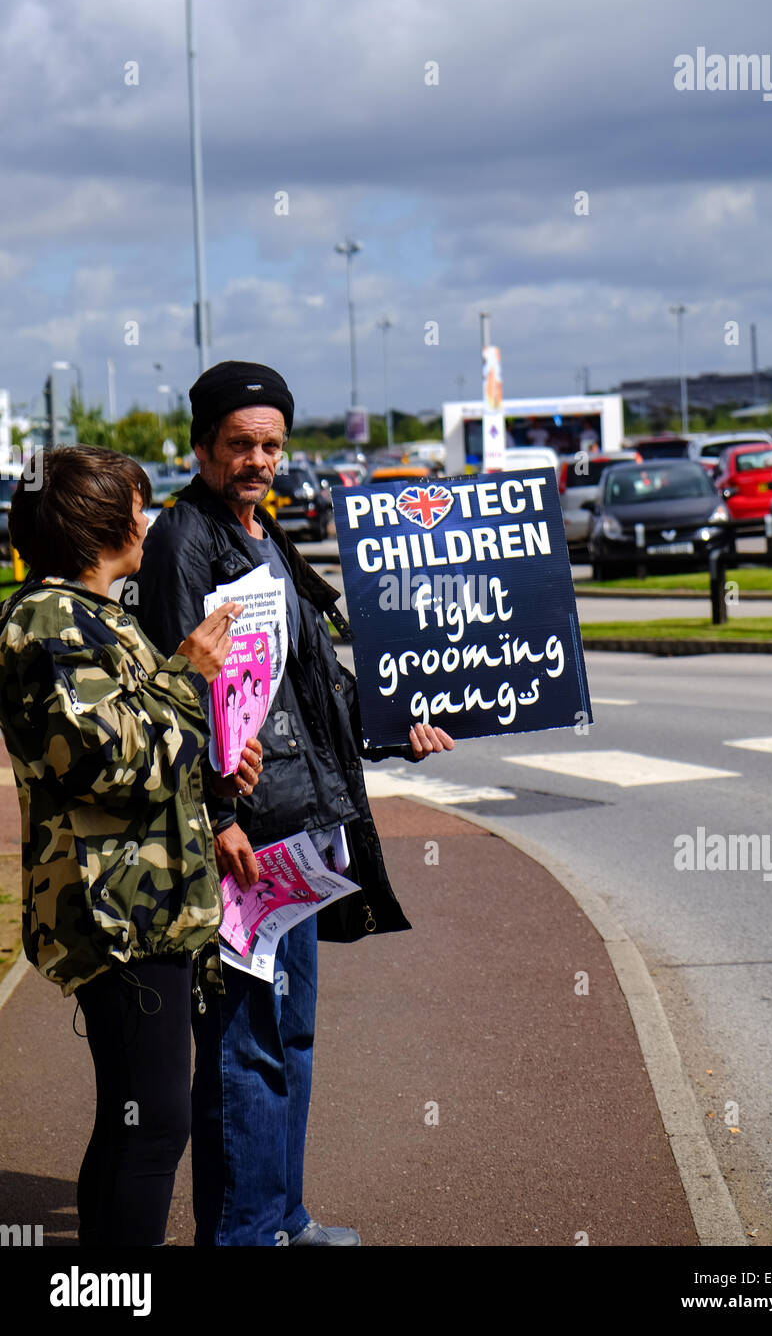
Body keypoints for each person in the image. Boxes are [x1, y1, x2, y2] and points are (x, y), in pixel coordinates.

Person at [131, 360, 455, 1247]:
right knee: (244, 1044)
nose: (261, 460)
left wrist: (397, 725)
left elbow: (315, 685)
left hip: (300, 835)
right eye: (242, 445)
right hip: (243, 840)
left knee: (291, 1035)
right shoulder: (182, 544)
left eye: (272, 445)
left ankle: (283, 1216)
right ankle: (241, 1234)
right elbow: (176, 693)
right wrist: (220, 816)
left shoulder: (263, 536)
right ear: (202, 447)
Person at [0, 444, 262, 1247]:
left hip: (137, 904)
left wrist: (217, 765)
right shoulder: (49, 620)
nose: (147, 520)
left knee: (131, 1119)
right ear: (98, 522)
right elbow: (104, 762)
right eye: (136, 507)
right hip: (115, 914)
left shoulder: (88, 614)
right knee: (152, 1128)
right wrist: (189, 674)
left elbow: (149, 741)